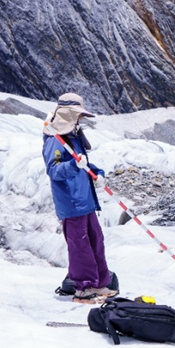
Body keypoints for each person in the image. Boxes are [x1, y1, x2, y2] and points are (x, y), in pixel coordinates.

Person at [43, 93, 117, 304]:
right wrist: (74, 165)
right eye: (77, 115)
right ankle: (83, 288)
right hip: (71, 202)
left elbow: (84, 163)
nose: (79, 120)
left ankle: (100, 283)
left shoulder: (73, 137)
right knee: (80, 245)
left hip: (85, 200)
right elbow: (54, 170)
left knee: (96, 240)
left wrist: (97, 172)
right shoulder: (55, 140)